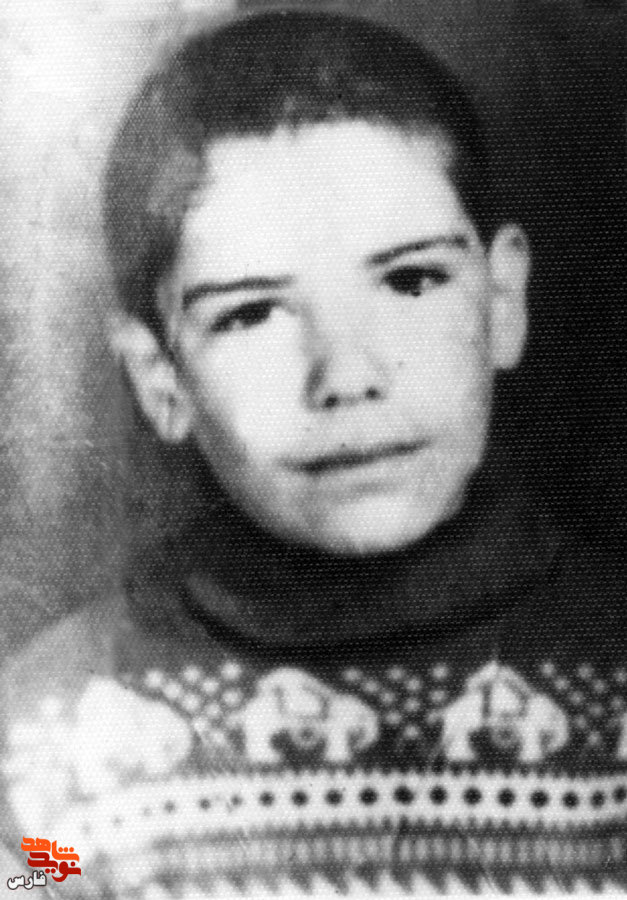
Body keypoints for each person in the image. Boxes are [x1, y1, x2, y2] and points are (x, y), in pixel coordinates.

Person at [1, 9, 625, 897]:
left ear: (501, 301)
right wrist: (70, 875)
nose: (347, 377)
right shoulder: (47, 744)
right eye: (250, 313)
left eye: (411, 279)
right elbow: (45, 877)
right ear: (159, 377)